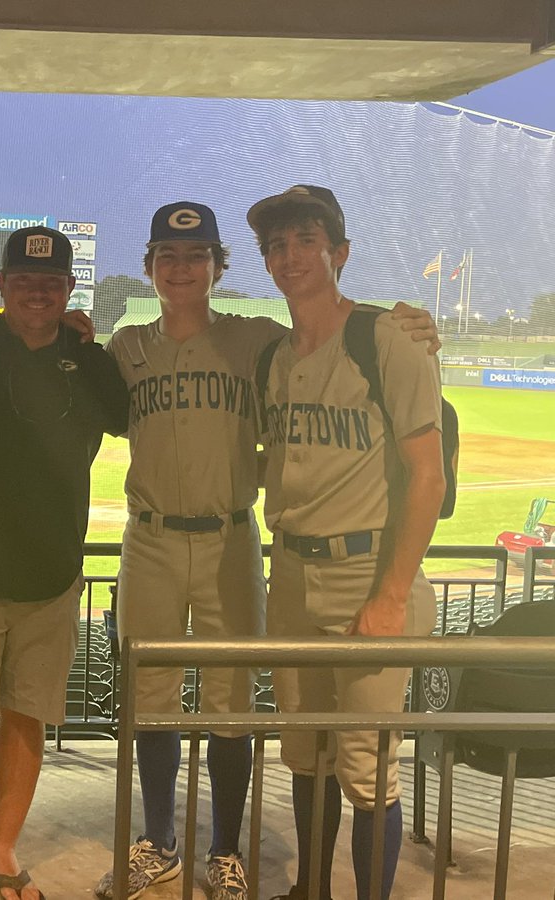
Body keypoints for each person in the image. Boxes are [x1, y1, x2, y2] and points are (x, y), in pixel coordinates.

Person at [97, 201, 442, 900]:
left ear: (219, 269)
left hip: (246, 541)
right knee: (220, 722)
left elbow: (426, 470)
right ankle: (161, 841)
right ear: (151, 268)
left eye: (196, 257)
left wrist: (416, 327)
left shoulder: (260, 341)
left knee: (266, 720)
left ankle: (226, 851)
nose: (182, 267)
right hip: (176, 541)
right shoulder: (130, 348)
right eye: (168, 256)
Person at [0, 226, 129, 900]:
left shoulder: (90, 361)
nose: (38, 290)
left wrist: (85, 339)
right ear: (2, 286)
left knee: (25, 719)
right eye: (25, 280)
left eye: (52, 282)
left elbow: (128, 417)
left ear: (69, 290)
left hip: (51, 575)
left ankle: (2, 854)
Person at [247, 185, 444, 900]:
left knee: (366, 768)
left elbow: (428, 474)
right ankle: (311, 889)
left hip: (368, 572)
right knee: (305, 754)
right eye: (277, 245)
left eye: (305, 239)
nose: (290, 255)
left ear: (339, 252)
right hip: (294, 572)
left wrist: (392, 595)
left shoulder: (383, 337)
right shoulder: (274, 356)